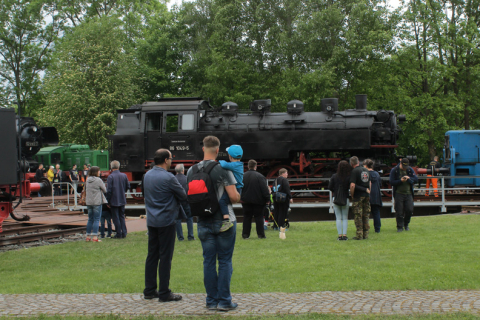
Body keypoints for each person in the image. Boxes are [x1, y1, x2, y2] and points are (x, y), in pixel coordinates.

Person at [186, 135, 240, 311]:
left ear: (203, 149)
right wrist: (238, 195)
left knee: (208, 261)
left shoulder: (190, 171)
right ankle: (224, 301)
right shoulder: (223, 169)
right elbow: (233, 196)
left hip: (202, 221)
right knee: (224, 261)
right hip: (224, 221)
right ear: (218, 150)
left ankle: (211, 301)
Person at [143, 149, 187, 302]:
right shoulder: (169, 177)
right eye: (171, 158)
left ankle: (149, 290)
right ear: (166, 160)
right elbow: (183, 195)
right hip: (166, 220)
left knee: (152, 255)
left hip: (152, 220)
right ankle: (164, 292)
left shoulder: (147, 175)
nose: (172, 161)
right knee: (165, 257)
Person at [240, 160, 270, 239]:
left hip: (246, 201)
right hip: (258, 201)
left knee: (247, 217)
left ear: (248, 166)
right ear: (256, 166)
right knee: (259, 217)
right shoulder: (260, 176)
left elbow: (240, 188)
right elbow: (264, 189)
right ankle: (261, 235)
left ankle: (245, 234)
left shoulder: (243, 176)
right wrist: (267, 199)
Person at [218, 145, 244, 232]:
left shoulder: (234, 165)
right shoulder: (239, 164)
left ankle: (226, 220)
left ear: (230, 156)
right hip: (238, 189)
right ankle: (230, 219)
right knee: (227, 204)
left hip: (235, 188)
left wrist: (219, 160)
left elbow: (223, 164)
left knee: (222, 201)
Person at [390, 158, 418, 232]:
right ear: (401, 164)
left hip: (408, 193)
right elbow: (392, 182)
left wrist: (409, 178)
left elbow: (416, 179)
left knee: (409, 210)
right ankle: (399, 227)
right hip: (399, 193)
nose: (405, 168)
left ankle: (406, 224)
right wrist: (400, 181)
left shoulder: (409, 170)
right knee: (399, 211)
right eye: (404, 167)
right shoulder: (394, 170)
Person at [328, 160, 352, 241]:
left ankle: (339, 235)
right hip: (345, 198)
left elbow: (330, 187)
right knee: (345, 218)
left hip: (336, 198)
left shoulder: (334, 176)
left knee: (338, 218)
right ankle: (345, 236)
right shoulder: (349, 176)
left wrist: (335, 191)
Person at [106, 160, 130, 239]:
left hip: (113, 200)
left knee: (115, 217)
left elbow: (109, 190)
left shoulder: (110, 177)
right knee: (122, 216)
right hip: (122, 199)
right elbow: (128, 186)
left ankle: (118, 233)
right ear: (118, 166)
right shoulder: (124, 175)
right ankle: (124, 232)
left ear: (111, 167)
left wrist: (107, 201)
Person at [349, 156, 370, 240]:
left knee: (358, 216)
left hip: (358, 196)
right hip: (367, 195)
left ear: (351, 163)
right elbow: (370, 183)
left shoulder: (354, 171)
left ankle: (359, 235)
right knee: (366, 215)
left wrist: (352, 195)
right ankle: (366, 235)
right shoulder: (366, 170)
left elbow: (352, 185)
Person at [85, 166, 107, 242]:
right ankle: (95, 237)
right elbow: (105, 190)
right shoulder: (98, 180)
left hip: (89, 202)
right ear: (96, 172)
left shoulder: (87, 180)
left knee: (90, 219)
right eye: (98, 171)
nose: (99, 172)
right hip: (97, 202)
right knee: (97, 219)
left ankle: (88, 236)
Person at [174, 164, 194, 241]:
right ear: (183, 170)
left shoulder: (173, 179)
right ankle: (190, 236)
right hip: (186, 201)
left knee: (178, 220)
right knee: (189, 218)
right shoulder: (187, 179)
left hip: (177, 202)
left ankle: (180, 237)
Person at [364, 159, 383, 233]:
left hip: (367, 195)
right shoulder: (377, 174)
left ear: (365, 165)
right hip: (376, 196)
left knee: (365, 213)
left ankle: (365, 228)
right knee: (376, 213)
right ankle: (377, 229)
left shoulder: (365, 174)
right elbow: (380, 184)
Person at [273, 168, 293, 233]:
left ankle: (275, 226)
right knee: (282, 212)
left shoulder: (275, 180)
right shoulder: (284, 180)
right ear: (283, 173)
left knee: (276, 212)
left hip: (276, 198)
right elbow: (287, 189)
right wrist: (290, 197)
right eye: (286, 173)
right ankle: (281, 226)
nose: (287, 174)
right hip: (283, 198)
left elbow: (273, 188)